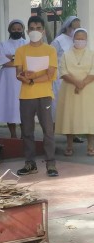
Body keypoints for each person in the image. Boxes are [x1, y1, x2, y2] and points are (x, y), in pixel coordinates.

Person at [14, 16, 58, 177]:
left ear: (43, 31)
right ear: (27, 31)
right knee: (27, 130)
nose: (35, 31)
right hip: (26, 96)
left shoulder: (50, 50)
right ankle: (30, 163)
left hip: (45, 95)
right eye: (32, 28)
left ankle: (51, 164)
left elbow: (50, 74)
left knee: (48, 130)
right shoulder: (21, 50)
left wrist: (31, 79)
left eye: (38, 28)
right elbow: (18, 73)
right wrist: (23, 75)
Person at [55, 28, 94, 156]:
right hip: (69, 89)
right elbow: (63, 71)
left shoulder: (92, 54)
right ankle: (69, 145)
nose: (80, 40)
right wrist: (77, 83)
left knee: (89, 118)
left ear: (86, 40)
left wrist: (82, 83)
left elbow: (92, 72)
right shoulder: (66, 54)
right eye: (77, 38)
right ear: (73, 39)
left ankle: (91, 146)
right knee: (69, 117)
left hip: (88, 89)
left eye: (82, 38)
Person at [50, 16, 84, 143]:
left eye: (78, 27)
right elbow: (51, 58)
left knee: (72, 108)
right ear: (68, 27)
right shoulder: (58, 41)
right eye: (74, 27)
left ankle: (73, 134)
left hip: (74, 78)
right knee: (57, 107)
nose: (76, 30)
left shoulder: (77, 40)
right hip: (59, 79)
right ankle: (51, 136)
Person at [0, 19, 27, 138]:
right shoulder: (3, 44)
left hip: (23, 79)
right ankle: (13, 135)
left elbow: (27, 61)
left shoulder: (27, 43)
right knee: (9, 105)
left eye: (19, 29)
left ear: (23, 30)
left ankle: (24, 135)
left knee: (22, 106)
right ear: (9, 30)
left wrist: (12, 57)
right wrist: (18, 59)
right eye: (14, 29)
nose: (16, 31)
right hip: (7, 80)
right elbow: (2, 61)